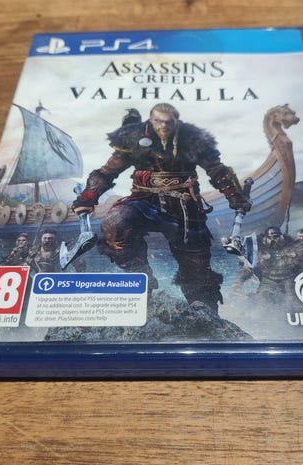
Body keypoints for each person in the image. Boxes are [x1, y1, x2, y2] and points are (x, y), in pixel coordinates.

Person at [73, 103, 252, 310]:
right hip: (144, 199)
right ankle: (141, 282)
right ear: (150, 120)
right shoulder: (135, 138)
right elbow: (107, 172)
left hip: (184, 205)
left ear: (177, 121)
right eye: (158, 121)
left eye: (168, 122)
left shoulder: (193, 139)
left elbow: (217, 170)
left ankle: (205, 311)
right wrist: (87, 198)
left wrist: (236, 196)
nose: (163, 126)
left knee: (197, 267)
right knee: (116, 222)